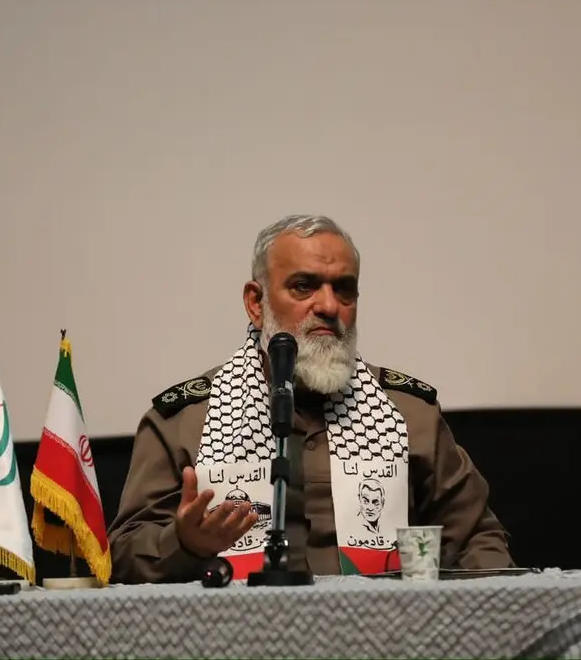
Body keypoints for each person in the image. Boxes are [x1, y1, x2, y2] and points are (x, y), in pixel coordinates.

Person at [108, 215, 513, 584]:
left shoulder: (409, 415)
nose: (329, 306)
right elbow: (122, 555)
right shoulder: (183, 421)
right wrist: (185, 543)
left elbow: (476, 539)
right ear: (255, 303)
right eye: (304, 286)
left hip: (385, 628)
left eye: (344, 289)